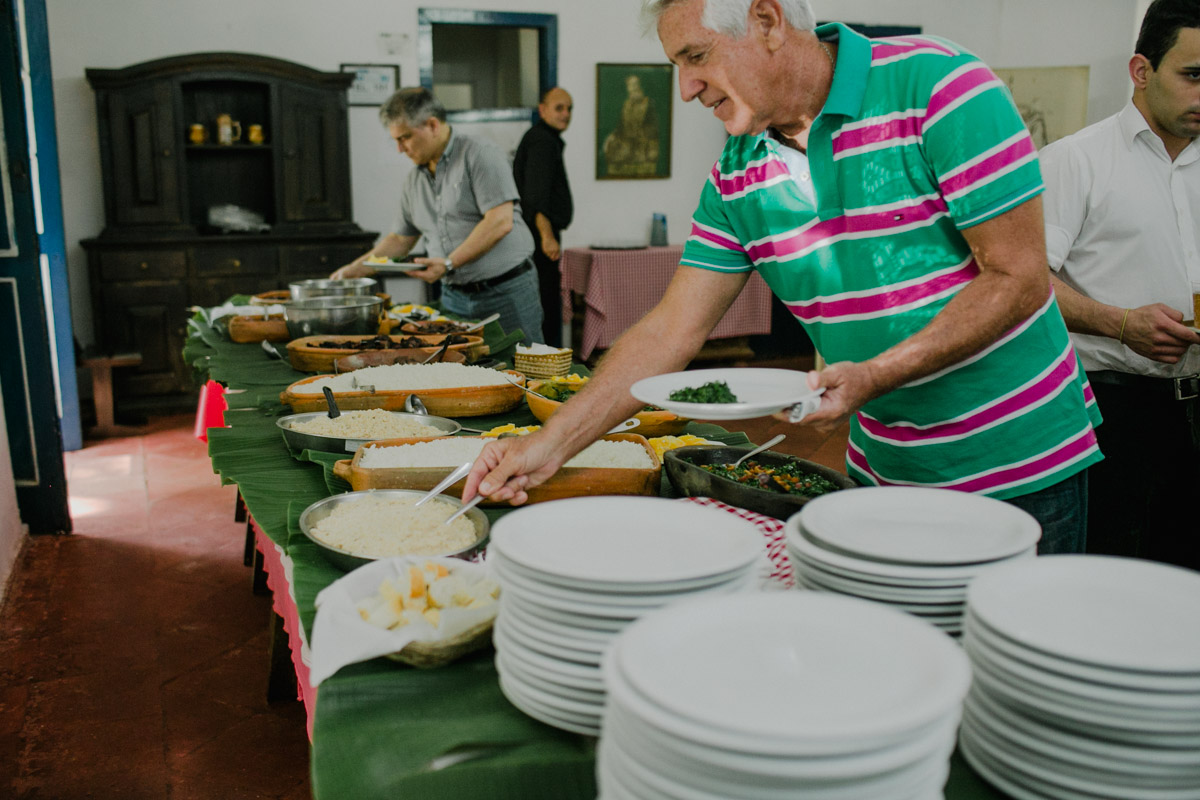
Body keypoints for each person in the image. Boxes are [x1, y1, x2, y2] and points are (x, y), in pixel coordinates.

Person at [464, 0, 1104, 554]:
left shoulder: (939, 85)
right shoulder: (737, 172)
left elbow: (1017, 279)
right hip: (880, 469)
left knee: (1010, 689)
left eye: (696, 56)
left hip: (1018, 468)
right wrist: (546, 448)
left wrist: (876, 375)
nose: (686, 89)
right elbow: (668, 332)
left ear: (766, 20)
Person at [1040, 0, 1200, 570]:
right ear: (1141, 70)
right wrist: (1121, 323)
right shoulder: (1073, 163)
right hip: (1115, 409)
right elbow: (1022, 284)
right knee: (1114, 570)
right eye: (1194, 75)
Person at [332, 87, 543, 344]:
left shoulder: (480, 154)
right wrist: (356, 269)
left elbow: (500, 221)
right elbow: (400, 239)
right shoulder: (414, 179)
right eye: (396, 140)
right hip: (453, 295)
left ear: (432, 125)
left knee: (526, 364)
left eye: (405, 138)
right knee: (462, 370)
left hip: (506, 292)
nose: (400, 149)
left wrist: (449, 263)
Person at [513, 87, 574, 347]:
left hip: (537, 237)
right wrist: (547, 237)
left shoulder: (544, 138)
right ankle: (546, 372)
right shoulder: (542, 141)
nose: (566, 114)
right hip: (539, 240)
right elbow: (535, 197)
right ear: (542, 109)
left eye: (569, 109)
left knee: (544, 306)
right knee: (544, 307)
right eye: (559, 108)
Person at [602, 74, 660, 176]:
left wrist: (640, 135)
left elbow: (653, 129)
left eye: (635, 85)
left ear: (640, 86)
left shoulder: (649, 104)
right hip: (627, 142)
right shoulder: (626, 105)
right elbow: (620, 127)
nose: (632, 88)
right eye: (630, 85)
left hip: (643, 144)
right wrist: (611, 137)